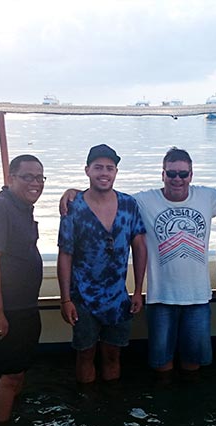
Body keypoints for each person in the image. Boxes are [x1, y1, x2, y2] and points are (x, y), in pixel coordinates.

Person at [61, 147, 216, 380]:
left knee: (193, 365)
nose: (177, 179)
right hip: (160, 299)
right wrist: (76, 192)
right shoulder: (144, 200)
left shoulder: (207, 197)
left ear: (191, 175)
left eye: (183, 174)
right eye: (171, 173)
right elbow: (106, 195)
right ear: (163, 174)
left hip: (198, 299)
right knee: (161, 366)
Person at [57, 144, 147, 383]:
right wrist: (65, 300)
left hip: (118, 298)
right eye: (98, 167)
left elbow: (139, 247)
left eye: (109, 168)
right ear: (87, 170)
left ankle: (111, 402)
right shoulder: (73, 207)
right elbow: (65, 254)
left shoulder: (128, 204)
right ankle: (87, 403)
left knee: (112, 355)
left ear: (116, 172)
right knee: (85, 355)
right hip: (82, 298)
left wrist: (138, 290)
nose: (104, 173)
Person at [0, 154, 45, 423]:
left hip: (23, 306)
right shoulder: (1, 208)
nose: (35, 183)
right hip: (5, 309)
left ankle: (16, 419)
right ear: (11, 178)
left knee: (19, 370)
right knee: (10, 375)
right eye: (28, 177)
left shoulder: (21, 205)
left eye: (39, 178)